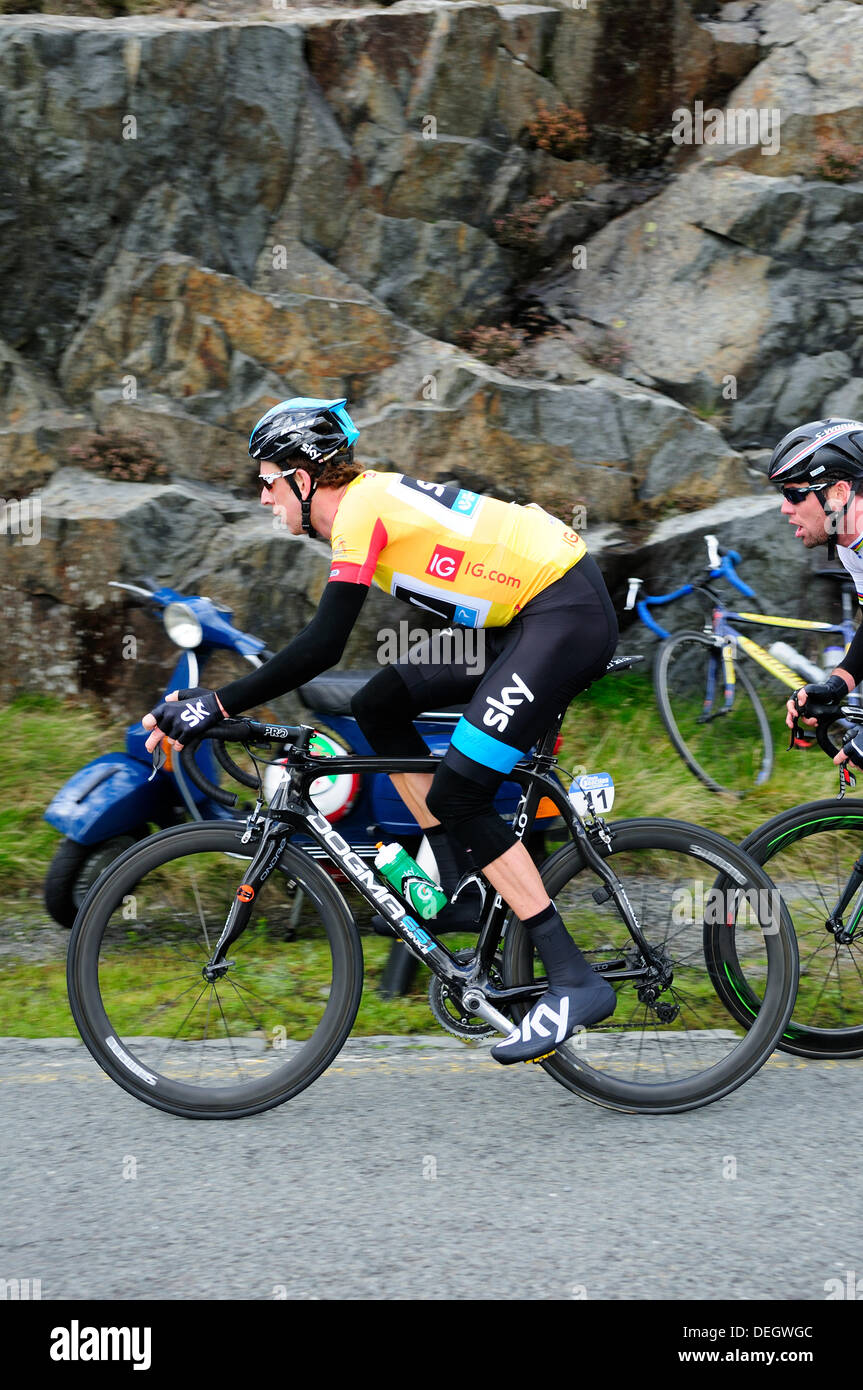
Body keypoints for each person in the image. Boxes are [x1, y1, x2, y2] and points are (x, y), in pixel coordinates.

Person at [143, 396, 619, 1063]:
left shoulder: (360, 512)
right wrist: (213, 703)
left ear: (303, 479)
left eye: (267, 481)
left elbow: (322, 644)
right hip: (522, 618)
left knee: (461, 792)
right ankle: (458, 883)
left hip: (560, 614)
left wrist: (216, 706)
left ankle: (574, 980)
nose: (262, 497)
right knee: (378, 708)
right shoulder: (366, 506)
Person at [769, 417, 863, 766]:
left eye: (794, 494)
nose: (784, 507)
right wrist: (837, 685)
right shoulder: (850, 545)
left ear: (838, 493)